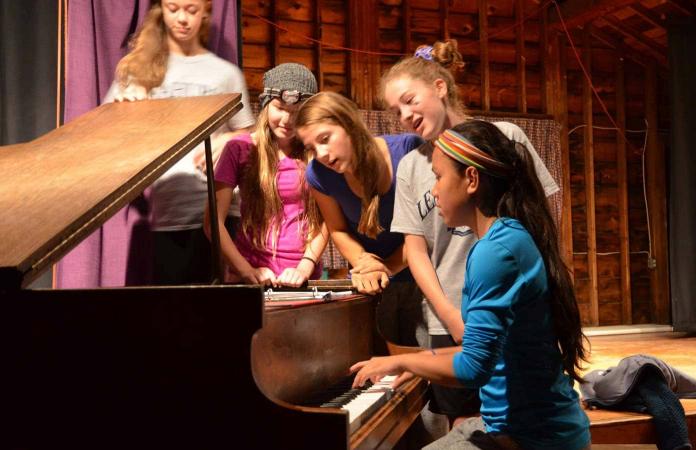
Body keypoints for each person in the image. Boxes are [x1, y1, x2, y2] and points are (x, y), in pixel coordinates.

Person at [351, 120, 590, 450]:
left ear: (472, 179)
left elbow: (474, 367)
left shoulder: (495, 252)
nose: (434, 190)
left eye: (438, 177)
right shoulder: (507, 237)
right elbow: (484, 349)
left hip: (535, 436)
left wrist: (403, 361)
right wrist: (422, 363)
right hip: (530, 425)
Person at [381, 39, 560, 427]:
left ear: (440, 87)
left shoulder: (506, 136)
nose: (405, 115)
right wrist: (449, 315)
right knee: (463, 422)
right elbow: (414, 249)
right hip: (447, 317)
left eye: (410, 100)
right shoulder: (412, 167)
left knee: (522, 410)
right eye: (397, 111)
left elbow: (542, 217)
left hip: (514, 308)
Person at [107, 0, 255, 284]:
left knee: (219, 314)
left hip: (219, 213)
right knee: (174, 315)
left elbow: (250, 137)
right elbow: (109, 140)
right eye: (174, 9)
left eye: (191, 10)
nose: (183, 18)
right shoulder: (139, 70)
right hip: (167, 211)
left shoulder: (225, 73)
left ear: (205, 13)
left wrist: (227, 139)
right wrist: (124, 114)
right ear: (161, 11)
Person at [295, 91, 425, 346]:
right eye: (311, 147)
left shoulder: (410, 150)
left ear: (349, 124)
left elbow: (426, 231)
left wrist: (385, 268)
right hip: (373, 284)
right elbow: (338, 229)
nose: (320, 153)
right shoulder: (319, 174)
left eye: (325, 138)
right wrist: (365, 263)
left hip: (424, 277)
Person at [203, 63, 327, 286]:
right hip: (250, 274)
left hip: (301, 277)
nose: (287, 120)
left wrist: (305, 266)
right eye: (279, 108)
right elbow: (212, 222)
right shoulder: (239, 148)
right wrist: (246, 270)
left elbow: (329, 219)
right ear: (266, 105)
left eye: (297, 113)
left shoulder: (318, 152)